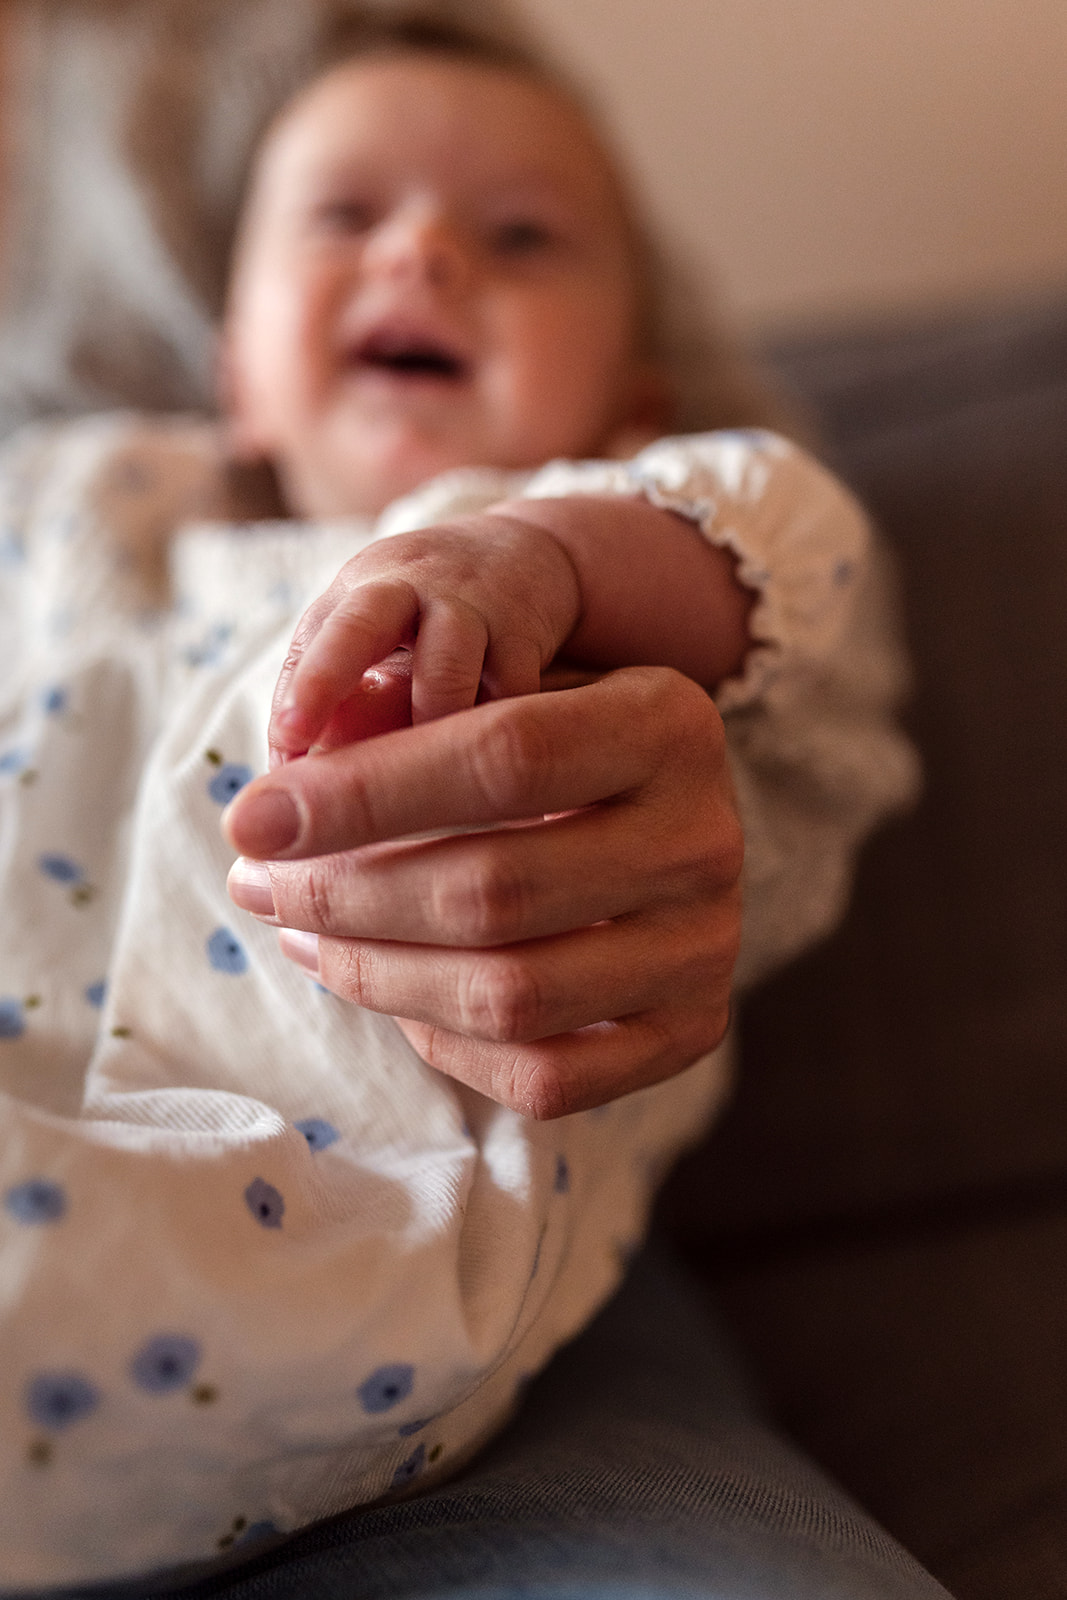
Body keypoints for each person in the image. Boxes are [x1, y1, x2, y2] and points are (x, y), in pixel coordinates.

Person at [0, 10, 924, 1595]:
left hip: (326, 1246)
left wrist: (554, 548)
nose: (422, 246)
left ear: (633, 409)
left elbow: (787, 539)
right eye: (346, 218)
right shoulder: (96, 513)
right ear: (234, 376)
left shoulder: (563, 545)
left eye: (518, 236)